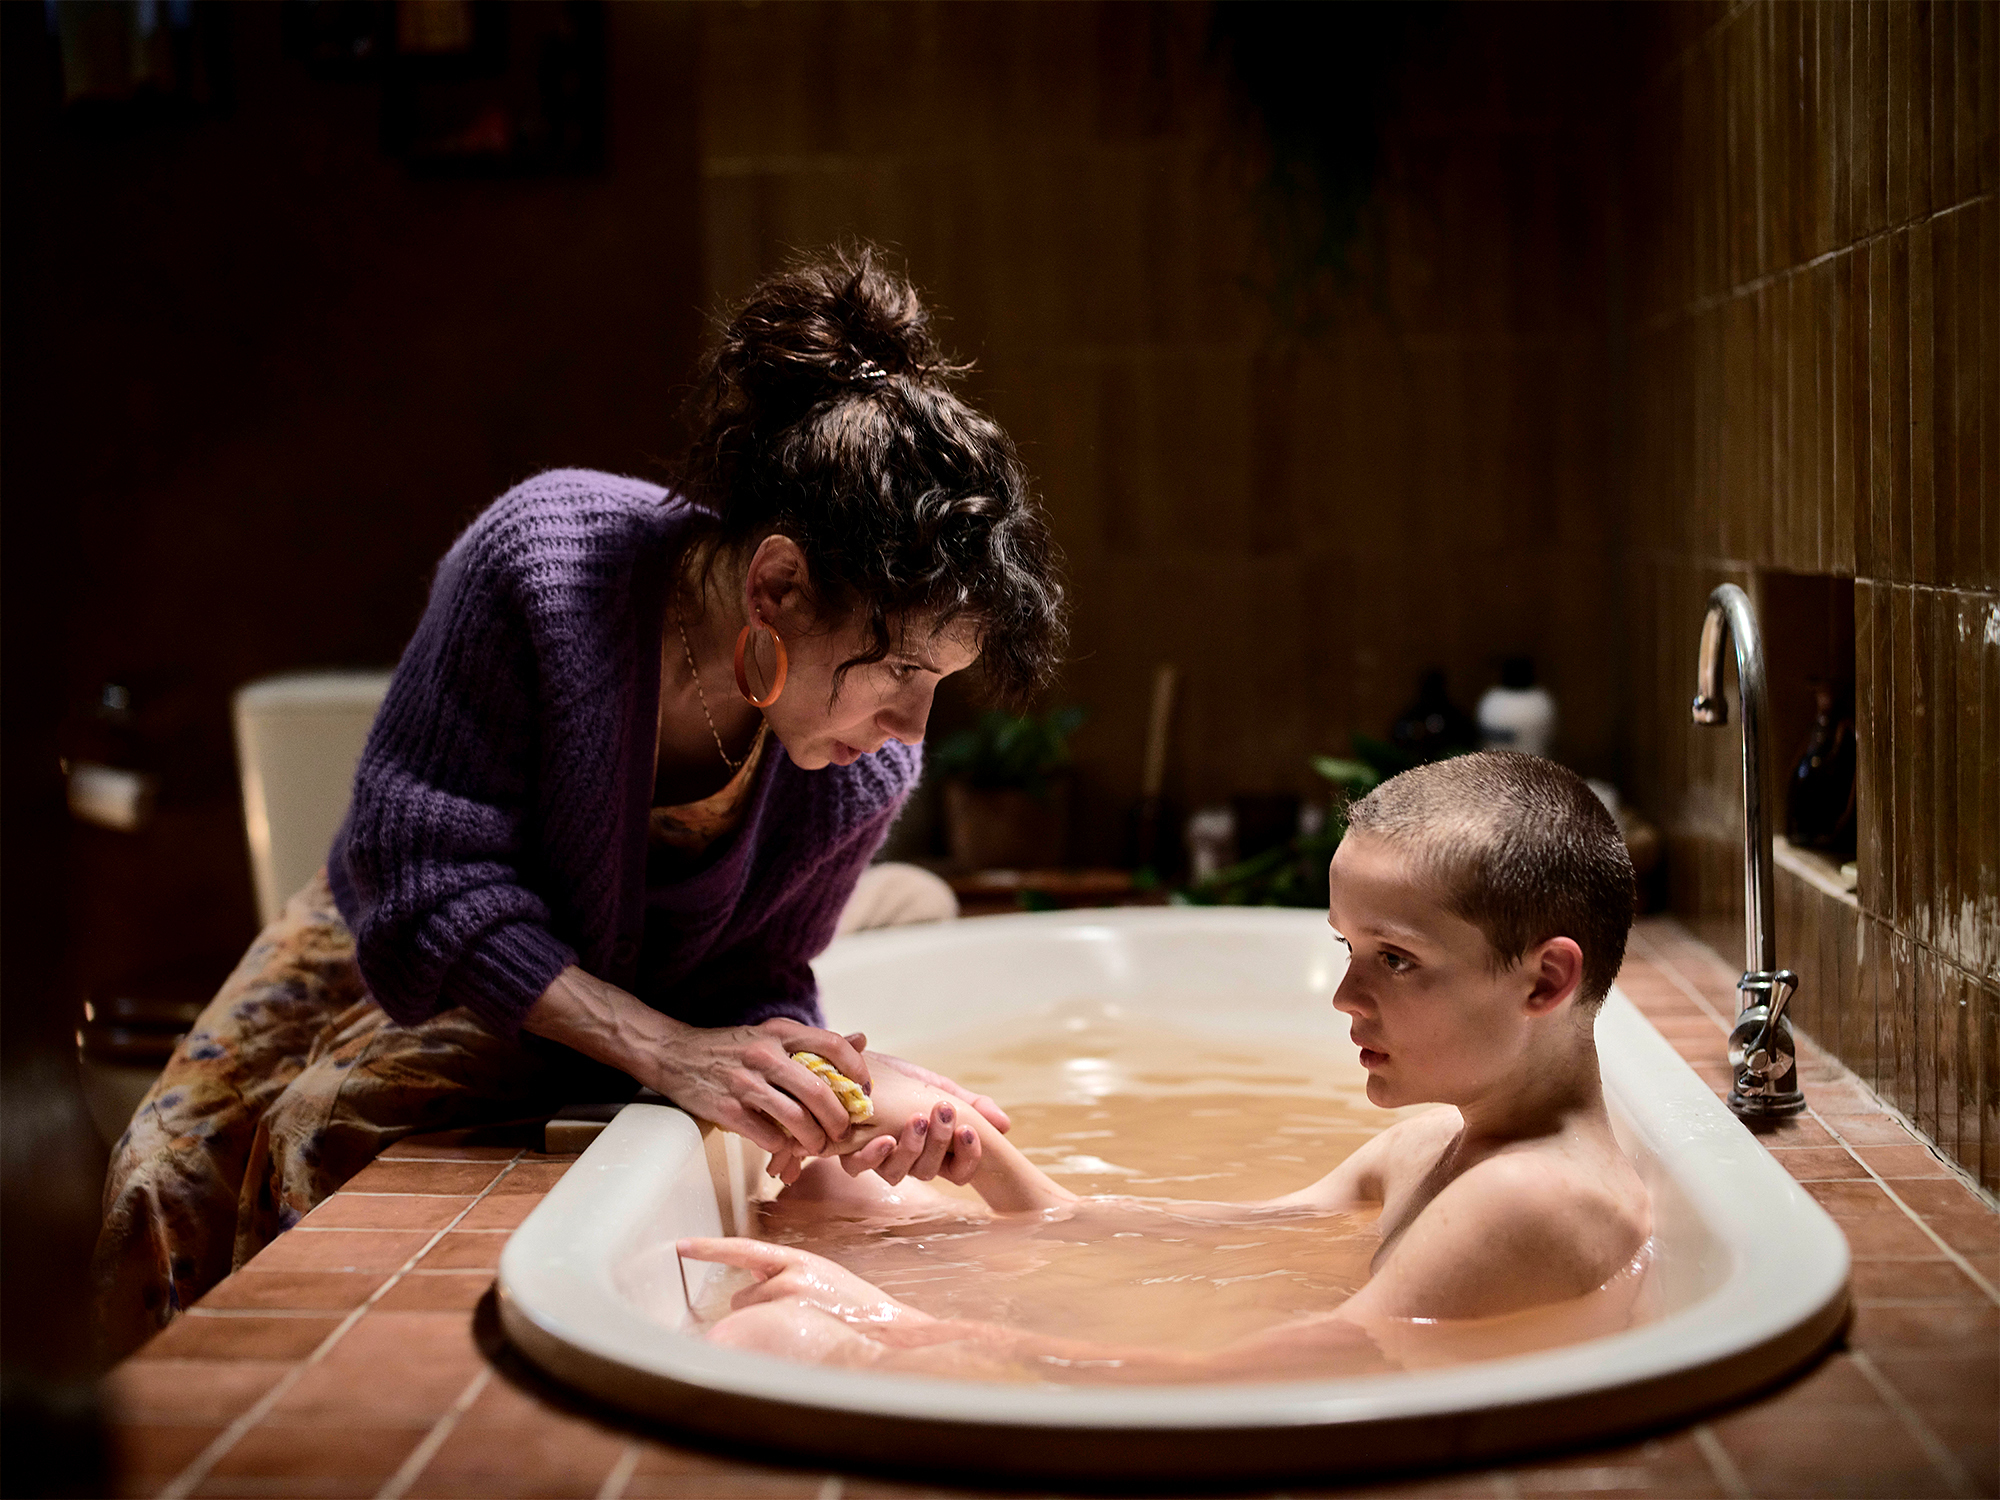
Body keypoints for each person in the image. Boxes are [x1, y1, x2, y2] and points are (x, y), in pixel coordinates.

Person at [94, 245, 1065, 1358]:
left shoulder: (859, 766)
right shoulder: (546, 567)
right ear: (777, 586)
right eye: (899, 674)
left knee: (321, 1122)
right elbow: (422, 878)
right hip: (426, 910)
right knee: (159, 1177)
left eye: (936, 688)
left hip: (622, 991)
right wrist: (661, 1050)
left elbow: (749, 979)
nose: (911, 732)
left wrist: (832, 1100)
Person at [684, 752, 1652, 1380]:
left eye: (1393, 961)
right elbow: (1184, 1234)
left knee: (780, 1340)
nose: (1343, 999)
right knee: (836, 1196)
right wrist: (988, 1164)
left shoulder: (1529, 1197)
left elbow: (1241, 1381)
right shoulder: (1442, 1138)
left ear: (1543, 982)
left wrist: (895, 1325)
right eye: (1344, 950)